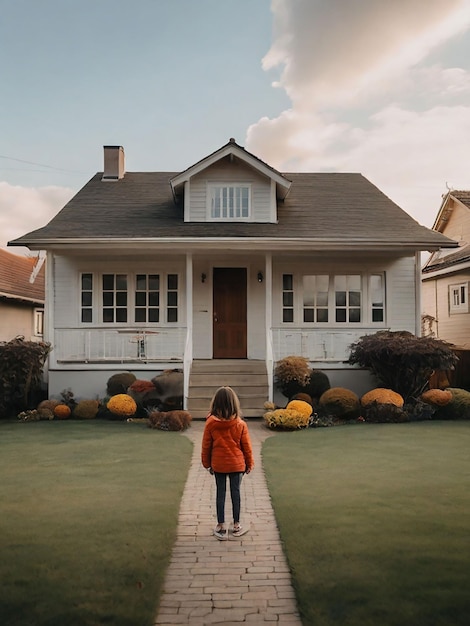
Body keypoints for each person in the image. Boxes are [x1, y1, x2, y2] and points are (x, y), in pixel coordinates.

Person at [201, 386, 254, 540]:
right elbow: (247, 448)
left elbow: (206, 446)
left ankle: (221, 525)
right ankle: (236, 524)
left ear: (215, 403)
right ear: (234, 404)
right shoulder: (240, 424)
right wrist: (249, 463)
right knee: (236, 493)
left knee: (220, 494)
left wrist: (207, 464)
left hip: (218, 465)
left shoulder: (210, 423)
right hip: (237, 465)